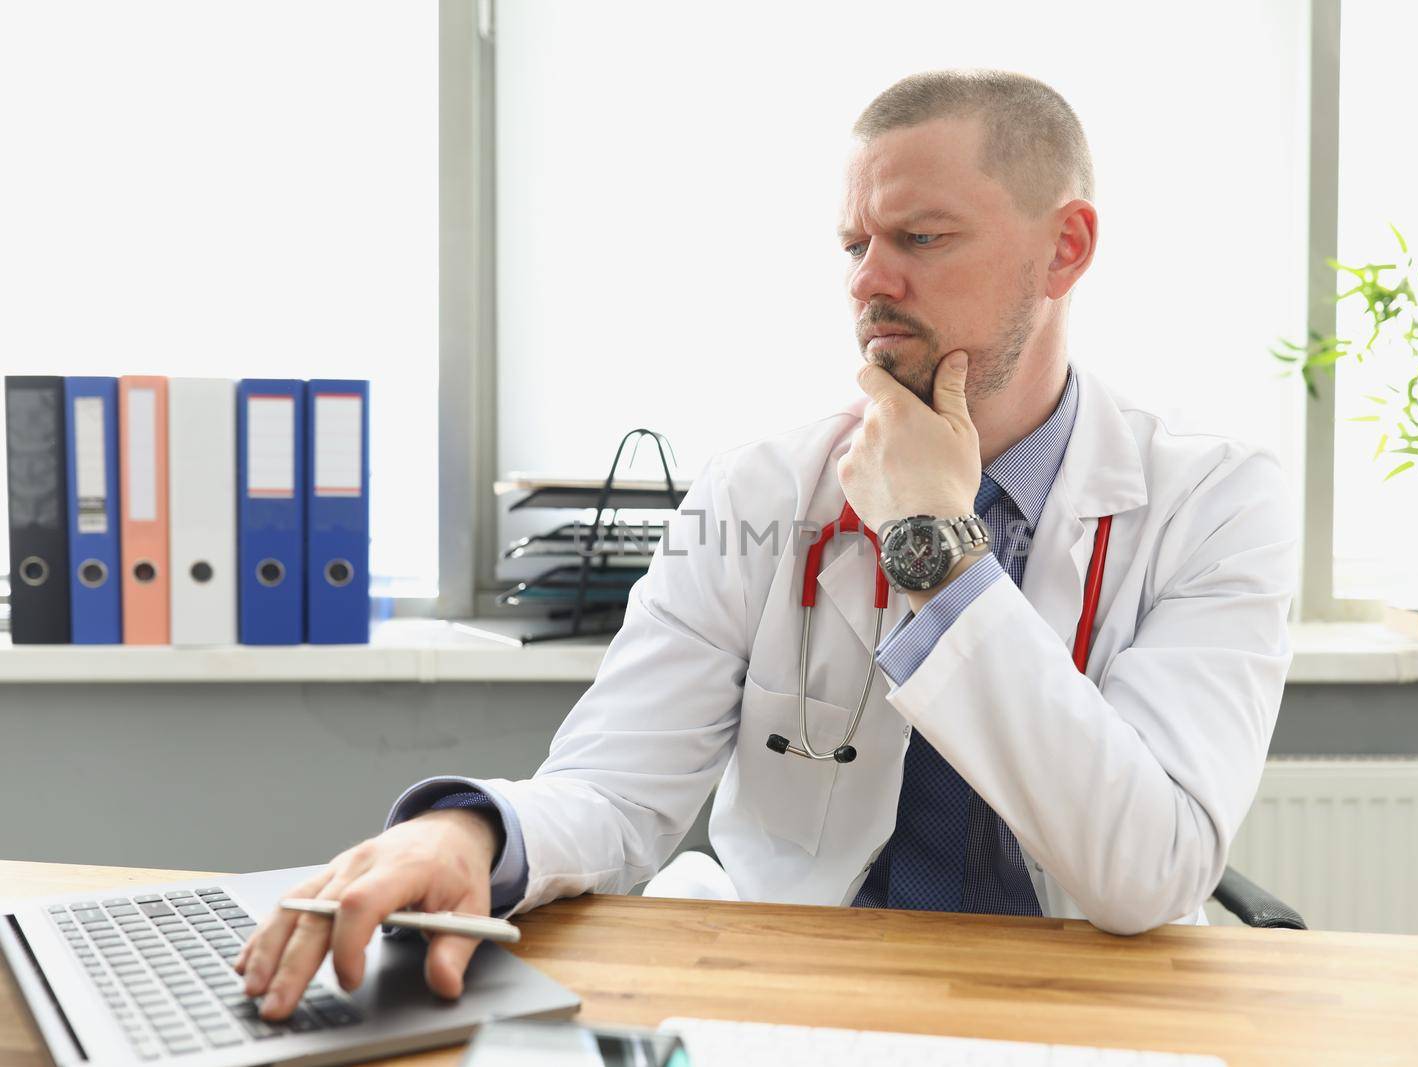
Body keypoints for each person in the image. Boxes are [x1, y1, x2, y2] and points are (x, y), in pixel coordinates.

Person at [235, 68, 1295, 1021]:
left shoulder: (1213, 498)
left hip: (1083, 1005)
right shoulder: (760, 486)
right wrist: (465, 832)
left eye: (920, 238)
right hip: (797, 998)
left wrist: (933, 545)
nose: (867, 283)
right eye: (853, 245)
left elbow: (1146, 870)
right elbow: (615, 787)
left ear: (1065, 248)